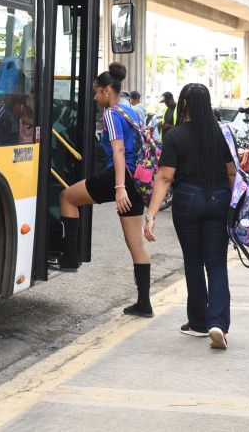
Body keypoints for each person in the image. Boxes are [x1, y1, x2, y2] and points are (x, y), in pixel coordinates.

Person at [144, 83, 236, 349]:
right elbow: (232, 173)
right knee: (217, 264)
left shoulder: (175, 136)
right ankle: (218, 322)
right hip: (218, 199)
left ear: (183, 104)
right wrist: (233, 205)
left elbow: (164, 177)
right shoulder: (223, 133)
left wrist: (150, 215)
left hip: (187, 200)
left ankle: (198, 323)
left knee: (193, 262)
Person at [58, 62, 152, 316]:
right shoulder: (134, 112)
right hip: (137, 181)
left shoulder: (111, 114)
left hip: (118, 178)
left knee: (67, 197)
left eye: (97, 92)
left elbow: (119, 150)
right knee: (136, 242)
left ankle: (69, 257)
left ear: (108, 91)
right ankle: (144, 303)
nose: (96, 97)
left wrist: (118, 187)